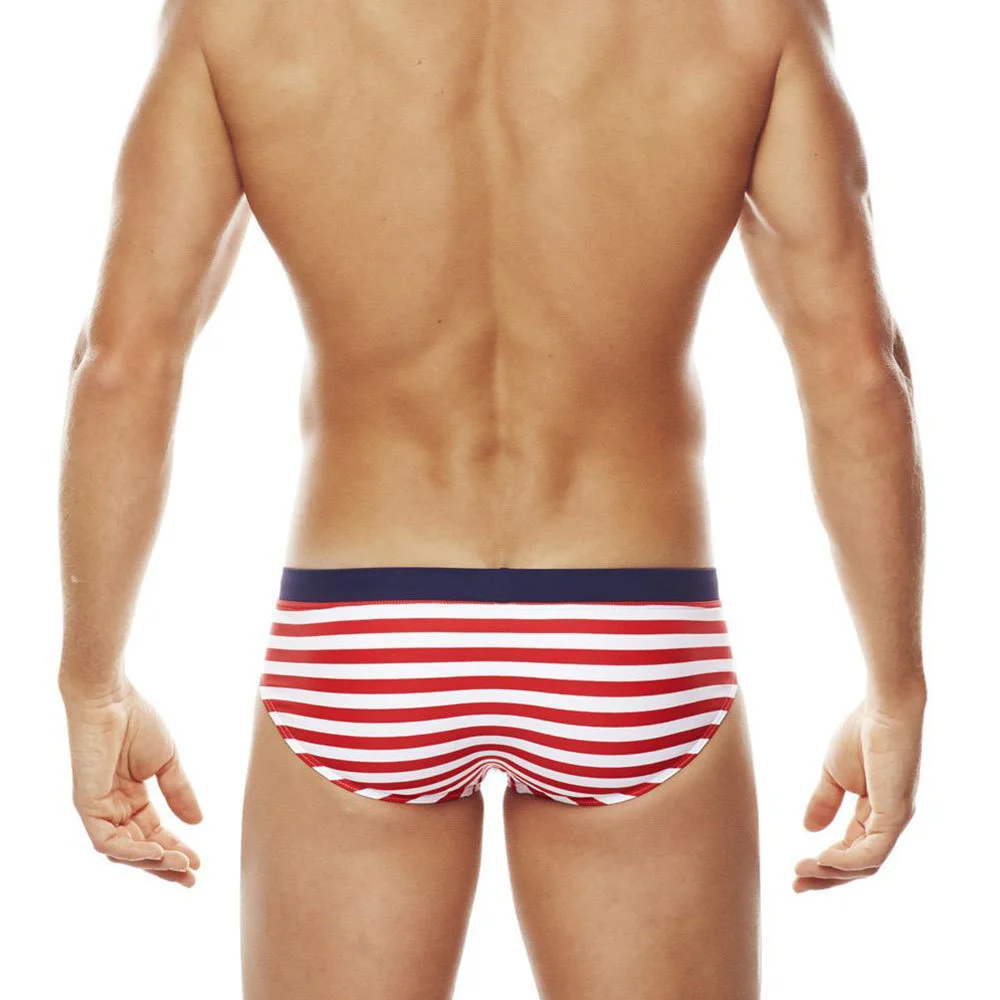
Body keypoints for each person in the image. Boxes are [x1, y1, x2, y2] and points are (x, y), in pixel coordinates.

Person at [57, 0, 926, 997]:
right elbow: (856, 369)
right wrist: (895, 686)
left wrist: (93, 679)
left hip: (364, 628)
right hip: (630, 629)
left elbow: (123, 364)